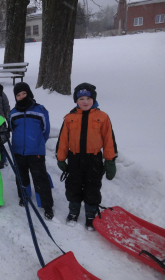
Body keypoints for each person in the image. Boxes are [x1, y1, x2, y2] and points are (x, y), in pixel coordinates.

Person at [56, 83, 118, 231]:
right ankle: (74, 212)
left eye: (88, 98)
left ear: (93, 99)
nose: (85, 101)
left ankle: (91, 215)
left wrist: (110, 161)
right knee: (73, 186)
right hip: (74, 159)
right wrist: (61, 158)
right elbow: (63, 140)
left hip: (93, 160)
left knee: (93, 188)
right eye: (81, 98)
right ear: (76, 101)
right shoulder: (69, 118)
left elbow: (109, 140)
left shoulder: (102, 117)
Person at [9, 82, 54, 220]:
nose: (21, 97)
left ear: (29, 93)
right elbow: (12, 129)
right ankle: (24, 196)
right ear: (15, 97)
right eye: (18, 95)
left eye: (24, 94)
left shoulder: (40, 110)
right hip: (18, 151)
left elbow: (45, 130)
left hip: (36, 151)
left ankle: (46, 205)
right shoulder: (13, 113)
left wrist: (38, 143)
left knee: (40, 177)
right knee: (21, 176)